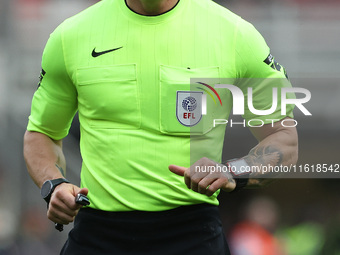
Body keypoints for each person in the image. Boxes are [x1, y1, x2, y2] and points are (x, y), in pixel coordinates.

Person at [23, 0, 298, 254]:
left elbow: (283, 139)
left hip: (193, 234)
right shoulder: (71, 36)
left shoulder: (236, 35)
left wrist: (230, 171)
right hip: (97, 235)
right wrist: (54, 184)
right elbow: (42, 133)